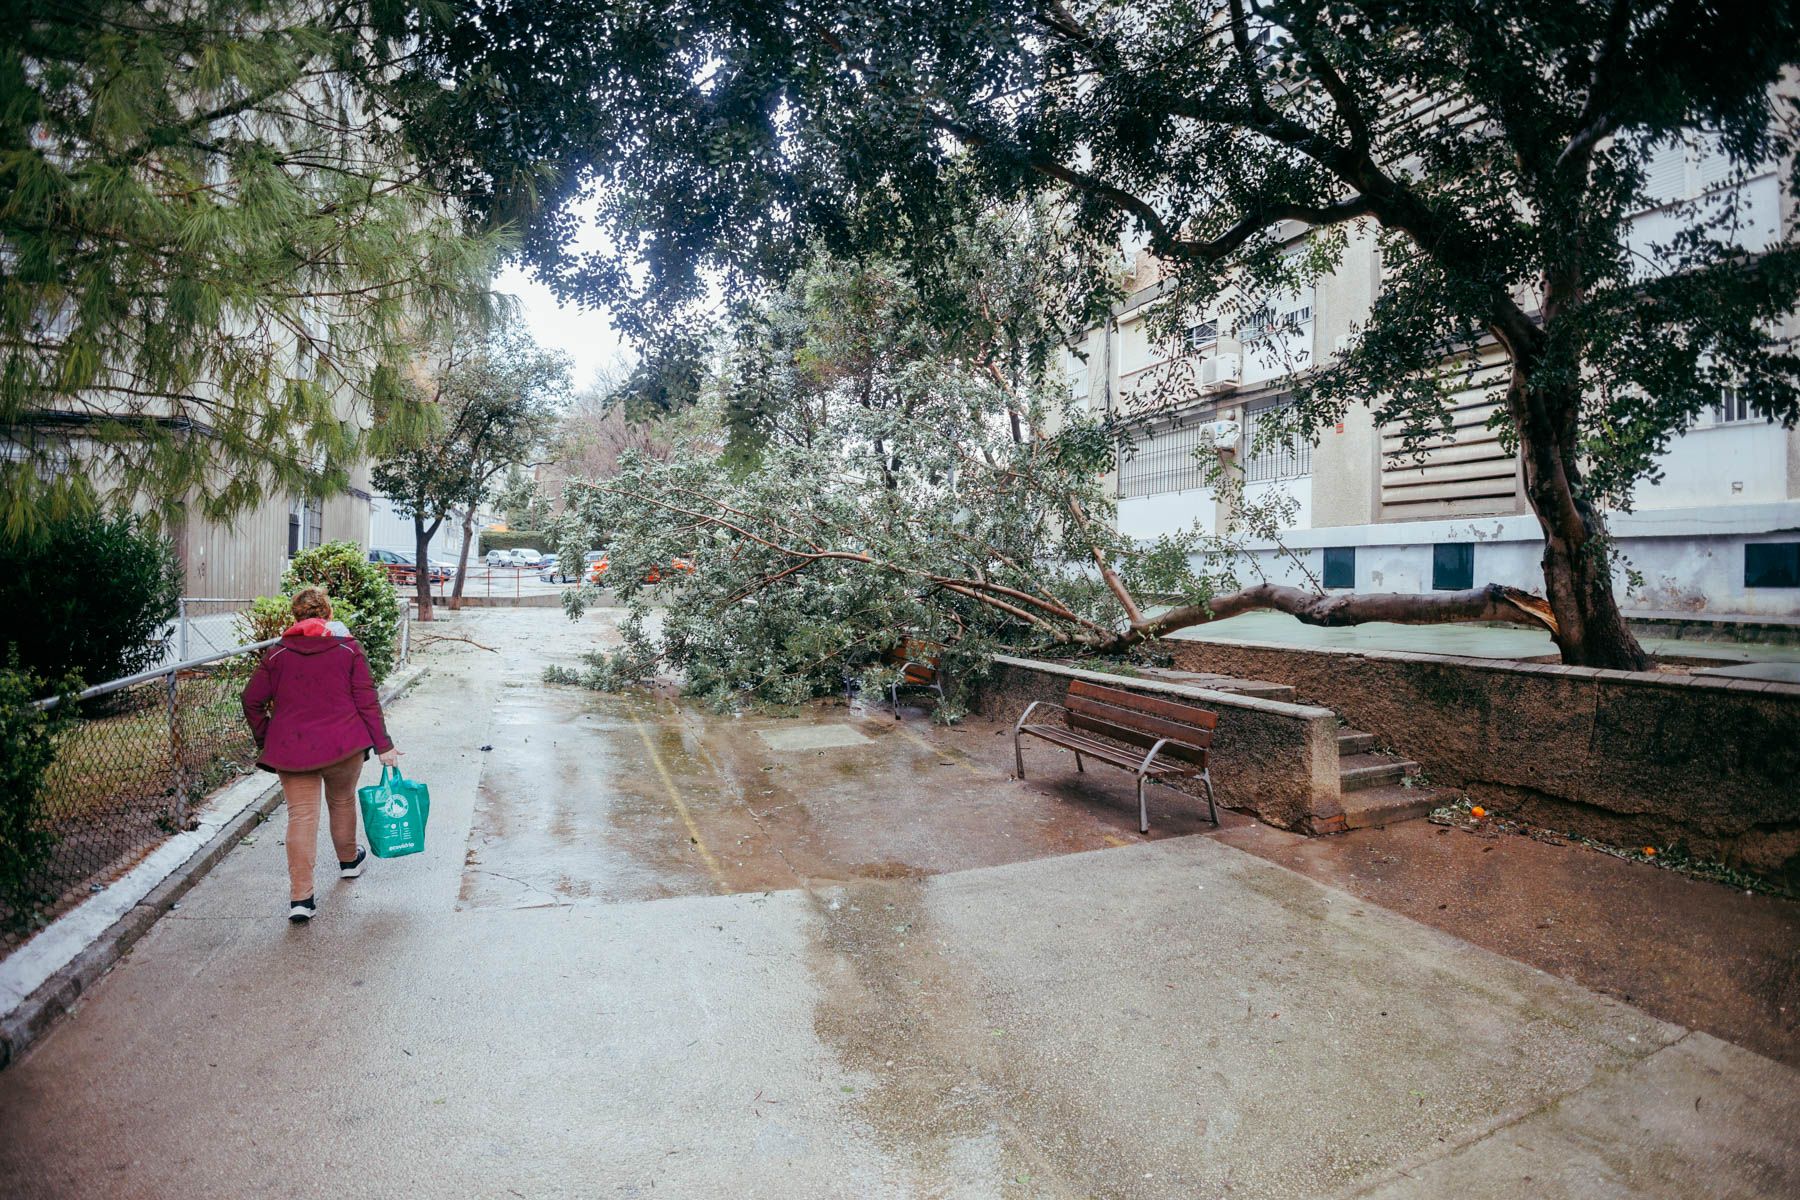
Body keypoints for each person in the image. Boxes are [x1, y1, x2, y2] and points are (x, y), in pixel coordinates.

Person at [241, 587, 401, 922]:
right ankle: (349, 861)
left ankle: (301, 899)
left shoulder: (277, 654)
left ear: (295, 617)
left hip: (293, 750)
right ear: (328, 614)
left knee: (301, 817)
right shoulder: (348, 648)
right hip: (344, 746)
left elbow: (251, 700)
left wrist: (267, 737)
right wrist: (383, 745)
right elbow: (366, 701)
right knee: (342, 801)